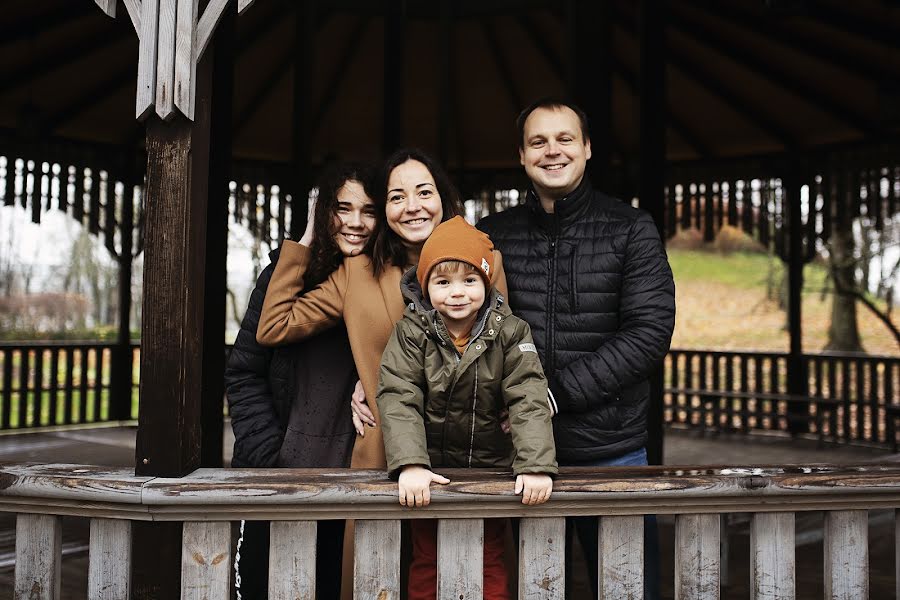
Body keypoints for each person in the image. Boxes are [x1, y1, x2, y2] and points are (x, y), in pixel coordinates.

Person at [256, 148, 506, 600]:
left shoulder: (484, 259)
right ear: (386, 212)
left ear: (444, 199)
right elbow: (275, 325)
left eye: (424, 192)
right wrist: (308, 238)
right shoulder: (358, 273)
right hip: (382, 458)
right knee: (378, 582)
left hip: (465, 454)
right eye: (397, 197)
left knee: (463, 581)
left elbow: (499, 349)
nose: (412, 206)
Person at [476, 98, 676, 599]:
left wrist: (553, 394)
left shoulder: (631, 228)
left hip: (613, 452)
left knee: (628, 590)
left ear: (586, 148)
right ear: (521, 156)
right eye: (538, 141)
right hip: (521, 455)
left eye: (565, 138)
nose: (552, 151)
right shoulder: (493, 235)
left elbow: (649, 333)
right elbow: (459, 324)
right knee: (536, 590)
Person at [377, 216, 557, 600]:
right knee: (427, 558)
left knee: (489, 557)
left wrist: (535, 465)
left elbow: (528, 395)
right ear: (425, 287)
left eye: (469, 280)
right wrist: (411, 463)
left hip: (489, 470)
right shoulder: (411, 333)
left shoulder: (511, 332)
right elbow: (399, 394)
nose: (457, 293)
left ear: (486, 283)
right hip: (432, 472)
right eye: (443, 282)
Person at [225, 162, 377, 599]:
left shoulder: (389, 285)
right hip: (279, 476)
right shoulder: (282, 275)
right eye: (341, 208)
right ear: (322, 211)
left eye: (368, 211)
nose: (354, 222)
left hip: (357, 480)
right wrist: (268, 453)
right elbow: (244, 369)